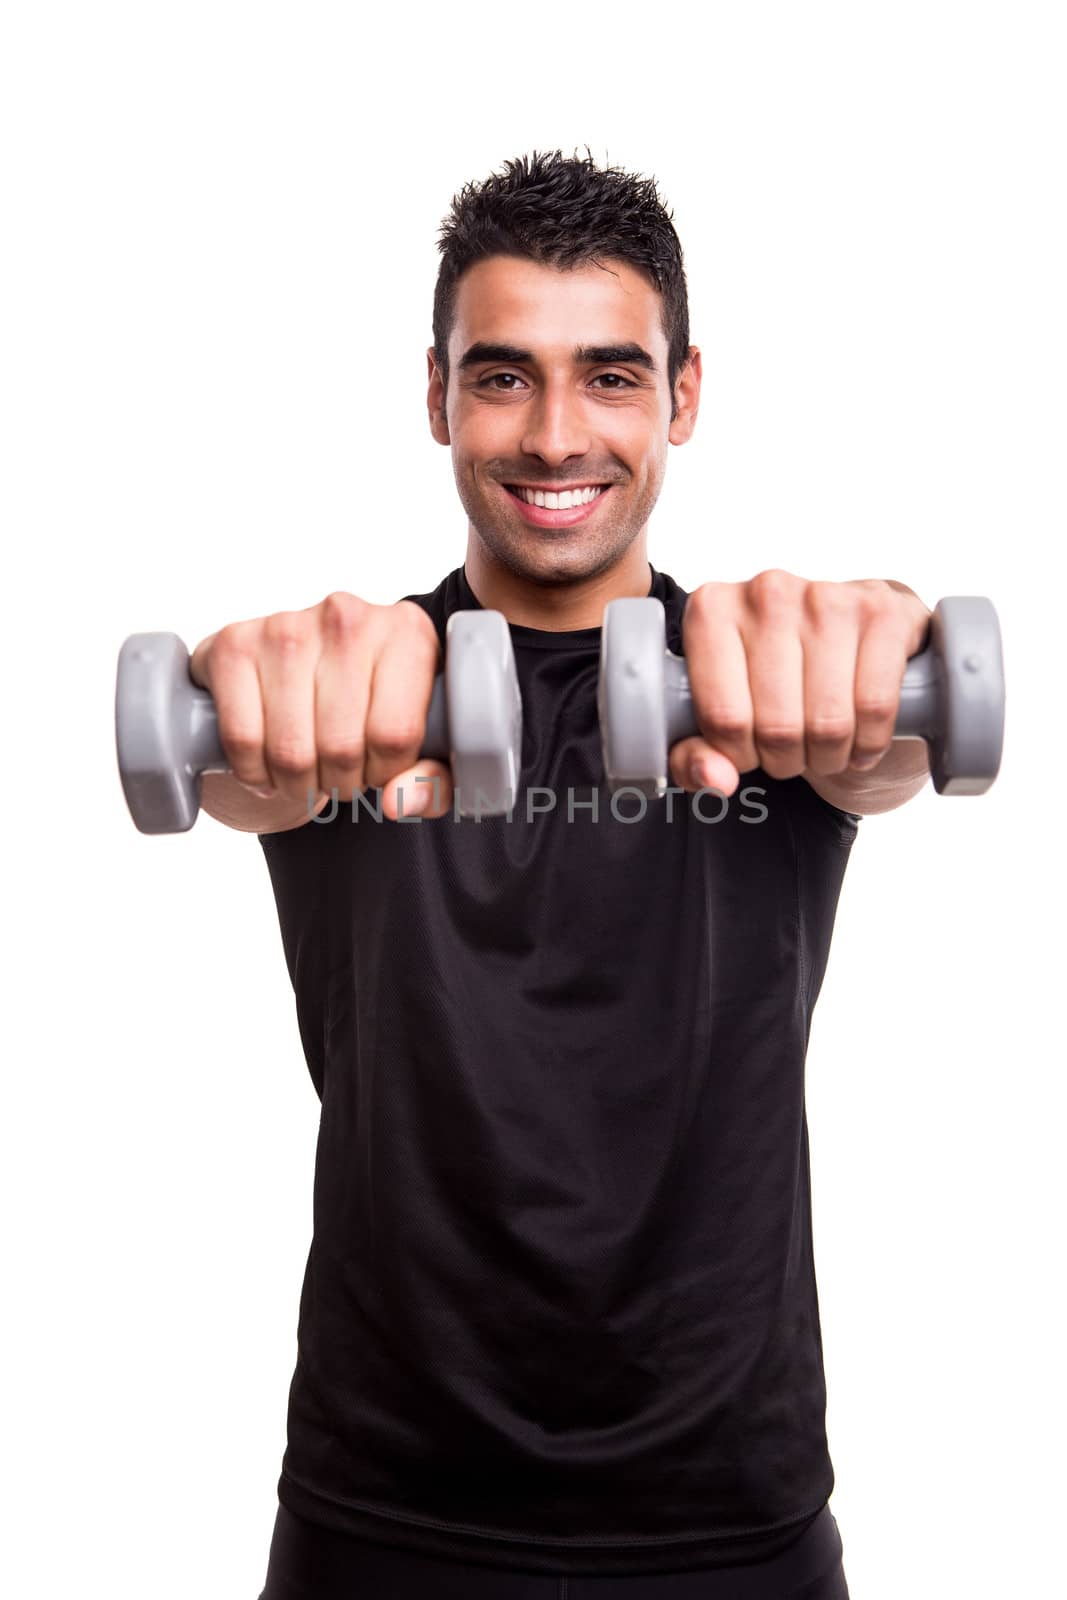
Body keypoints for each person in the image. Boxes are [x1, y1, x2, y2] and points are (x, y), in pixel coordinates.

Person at [192, 149, 932, 1598]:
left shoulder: (766, 695)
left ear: (684, 397)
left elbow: (882, 754)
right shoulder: (350, 696)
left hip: (733, 1513)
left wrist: (888, 651)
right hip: (383, 1511)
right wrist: (242, 693)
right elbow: (241, 768)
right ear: (434, 397)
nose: (553, 436)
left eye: (608, 375)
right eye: (502, 376)